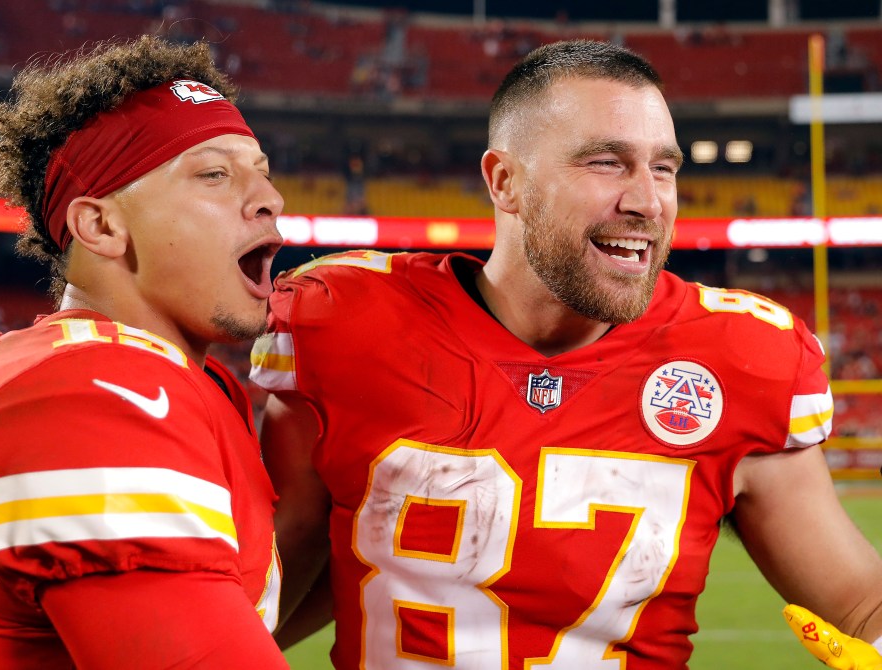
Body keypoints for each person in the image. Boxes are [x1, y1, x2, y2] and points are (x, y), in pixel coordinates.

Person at [249, 39, 882, 669]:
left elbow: (860, 602)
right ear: (505, 182)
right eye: (607, 162)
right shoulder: (347, 324)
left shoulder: (740, 358)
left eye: (664, 168)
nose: (647, 200)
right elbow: (274, 583)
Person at [0, 35, 289, 668]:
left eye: (262, 171)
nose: (269, 199)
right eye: (214, 174)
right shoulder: (85, 394)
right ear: (101, 226)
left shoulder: (186, 383)